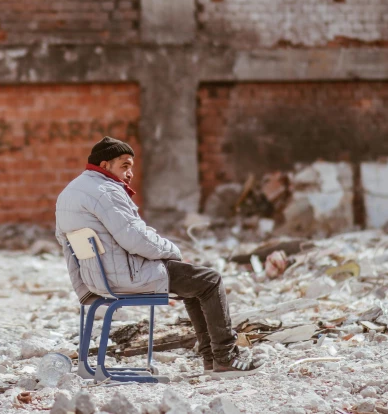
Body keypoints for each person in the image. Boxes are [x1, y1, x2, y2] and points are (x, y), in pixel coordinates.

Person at [55, 136, 262, 377]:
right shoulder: (106, 191)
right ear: (104, 166)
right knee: (210, 280)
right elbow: (135, 239)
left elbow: (67, 246)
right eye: (124, 165)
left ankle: (212, 358)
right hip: (125, 274)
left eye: (131, 166)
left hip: (98, 277)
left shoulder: (70, 192)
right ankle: (225, 357)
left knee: (195, 283)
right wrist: (172, 252)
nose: (130, 173)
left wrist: (84, 289)